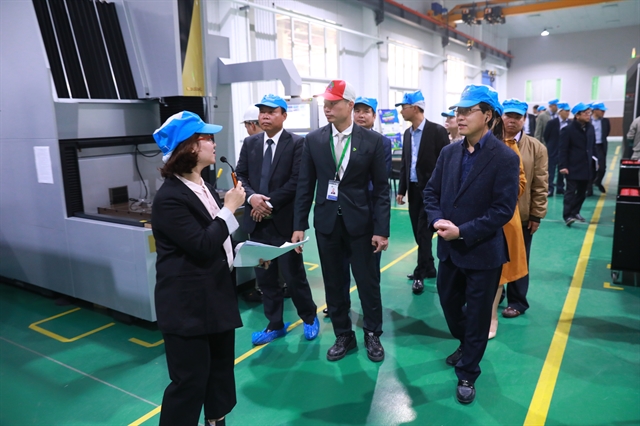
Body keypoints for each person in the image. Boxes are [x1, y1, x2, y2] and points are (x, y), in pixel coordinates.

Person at [424, 85, 520, 404]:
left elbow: (502, 210)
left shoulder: (504, 158)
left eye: (467, 111)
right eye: (458, 111)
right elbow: (431, 192)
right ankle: (467, 343)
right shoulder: (449, 152)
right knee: (450, 305)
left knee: (478, 316)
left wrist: (462, 231)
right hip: (449, 250)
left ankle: (468, 372)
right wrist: (437, 220)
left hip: (482, 252)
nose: (460, 117)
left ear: (488, 115)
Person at [152, 111, 249, 426]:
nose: (213, 142)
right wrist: (230, 208)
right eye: (206, 137)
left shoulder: (202, 186)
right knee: (190, 383)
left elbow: (216, 240)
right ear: (189, 146)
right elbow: (202, 244)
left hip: (215, 298)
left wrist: (244, 254)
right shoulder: (170, 198)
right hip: (188, 308)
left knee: (219, 375)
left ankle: (216, 421)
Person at [292, 80, 390, 363]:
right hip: (327, 224)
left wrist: (381, 230)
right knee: (334, 283)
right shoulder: (314, 140)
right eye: (325, 104)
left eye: (333, 104)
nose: (327, 109)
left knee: (368, 282)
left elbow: (381, 189)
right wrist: (299, 225)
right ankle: (343, 334)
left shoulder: (372, 141)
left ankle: (372, 333)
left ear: (350, 105)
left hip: (362, 225)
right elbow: (305, 185)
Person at [236, 94, 319, 345]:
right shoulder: (250, 143)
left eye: (271, 112)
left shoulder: (297, 144)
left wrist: (267, 204)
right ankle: (274, 325)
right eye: (262, 111)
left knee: (294, 276)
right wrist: (252, 198)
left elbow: (297, 182)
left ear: (284, 115)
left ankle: (309, 317)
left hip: (284, 223)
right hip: (257, 223)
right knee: (265, 277)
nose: (265, 116)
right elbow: (241, 175)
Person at [395, 90, 449, 295]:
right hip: (414, 190)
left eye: (404, 107)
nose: (401, 111)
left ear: (415, 108)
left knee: (423, 233)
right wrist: (402, 189)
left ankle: (420, 273)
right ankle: (430, 267)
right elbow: (405, 163)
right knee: (418, 232)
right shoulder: (407, 134)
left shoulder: (437, 131)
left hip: (431, 191)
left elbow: (446, 163)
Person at [501, 99, 548, 323]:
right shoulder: (491, 142)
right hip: (494, 215)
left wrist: (536, 214)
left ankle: (517, 301)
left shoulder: (536, 148)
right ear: (500, 117)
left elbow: (540, 183)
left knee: (519, 258)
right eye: (508, 116)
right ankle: (495, 294)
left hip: (521, 215)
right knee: (493, 258)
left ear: (524, 119)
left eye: (517, 117)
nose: (512, 121)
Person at [488, 99, 529, 340]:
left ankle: (491, 315)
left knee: (498, 273)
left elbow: (521, 182)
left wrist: (498, 196)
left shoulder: (510, 148)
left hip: (501, 219)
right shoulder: (463, 146)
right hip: (470, 219)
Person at [559, 103, 595, 226]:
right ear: (577, 115)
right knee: (570, 192)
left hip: (587, 166)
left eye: (589, 113)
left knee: (582, 192)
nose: (588, 115)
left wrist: (595, 161)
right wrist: (563, 166)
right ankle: (567, 215)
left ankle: (575, 212)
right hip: (572, 166)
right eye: (585, 113)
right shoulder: (568, 130)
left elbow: (592, 146)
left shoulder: (590, 128)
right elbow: (563, 149)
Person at [544, 103, 571, 196]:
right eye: (566, 111)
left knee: (562, 170)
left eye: (569, 111)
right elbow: (546, 135)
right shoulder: (552, 123)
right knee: (550, 170)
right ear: (560, 112)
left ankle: (560, 187)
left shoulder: (570, 123)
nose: (568, 113)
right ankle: (550, 188)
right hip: (553, 150)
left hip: (564, 151)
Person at [590, 102, 610, 194]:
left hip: (600, 146)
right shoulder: (588, 121)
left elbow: (606, 132)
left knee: (602, 168)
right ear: (595, 111)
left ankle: (597, 182)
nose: (603, 112)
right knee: (590, 168)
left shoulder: (605, 121)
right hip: (590, 146)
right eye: (602, 110)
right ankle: (589, 188)